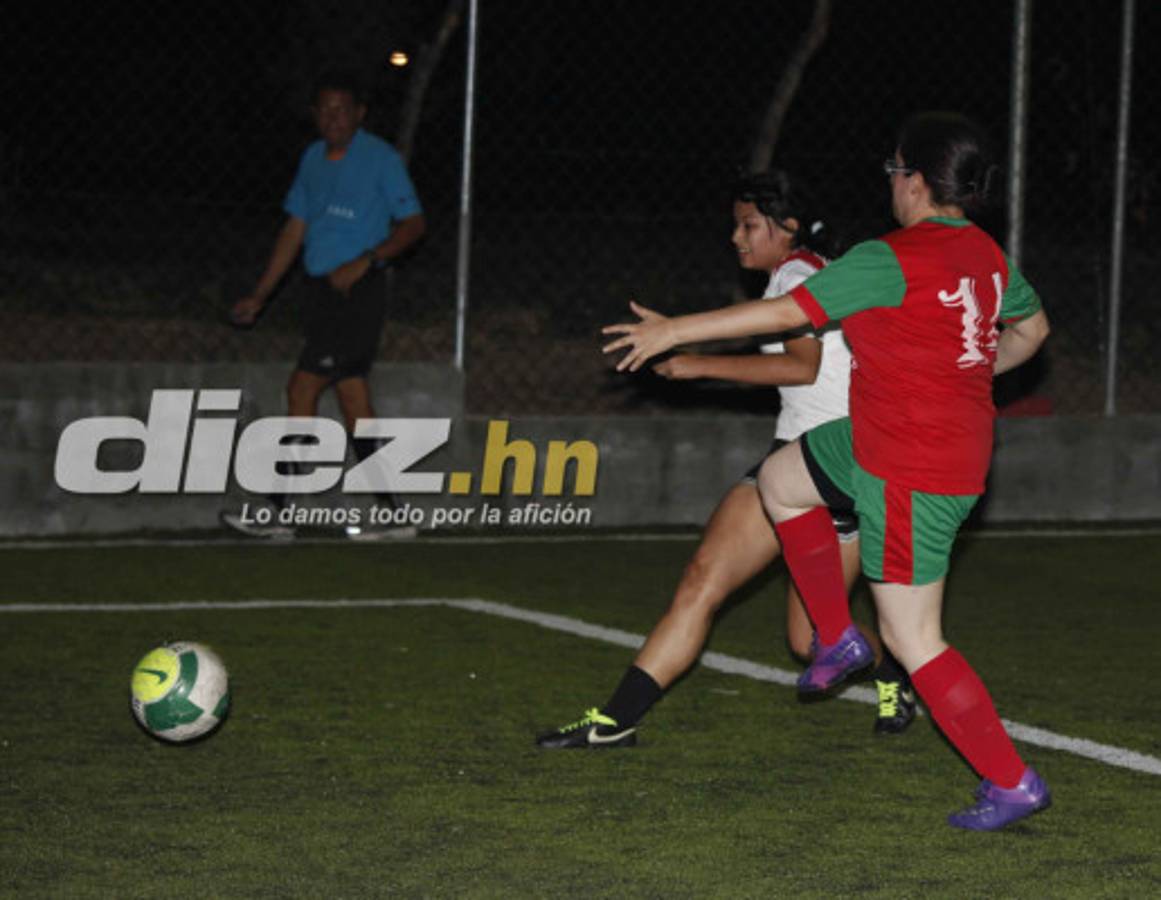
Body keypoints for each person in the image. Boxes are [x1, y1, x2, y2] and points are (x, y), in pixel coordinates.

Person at [601, 112, 1052, 832]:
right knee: (781, 481)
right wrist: (967, 372)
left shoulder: (887, 257)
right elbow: (1031, 331)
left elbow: (785, 311)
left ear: (914, 179)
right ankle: (837, 635)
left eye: (893, 170)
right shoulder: (986, 255)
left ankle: (1010, 781)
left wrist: (673, 329)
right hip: (889, 438)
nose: (890, 184)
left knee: (911, 637)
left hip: (912, 464)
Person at [537, 170, 915, 752]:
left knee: (797, 632)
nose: (736, 238)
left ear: (787, 228)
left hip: (832, 470)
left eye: (748, 225)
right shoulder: (805, 271)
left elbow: (802, 367)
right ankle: (617, 721)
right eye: (733, 226)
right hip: (802, 461)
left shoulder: (795, 272)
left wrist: (695, 363)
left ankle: (894, 670)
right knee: (719, 590)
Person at [224, 67, 426, 539]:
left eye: (343, 109)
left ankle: (278, 511)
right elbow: (294, 229)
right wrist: (260, 294)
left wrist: (368, 261)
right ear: (314, 115)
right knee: (354, 400)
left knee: (301, 387)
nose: (333, 118)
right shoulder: (313, 159)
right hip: (319, 295)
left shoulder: (380, 159)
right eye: (325, 110)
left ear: (360, 114)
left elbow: (413, 224)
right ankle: (396, 516)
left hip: (358, 294)